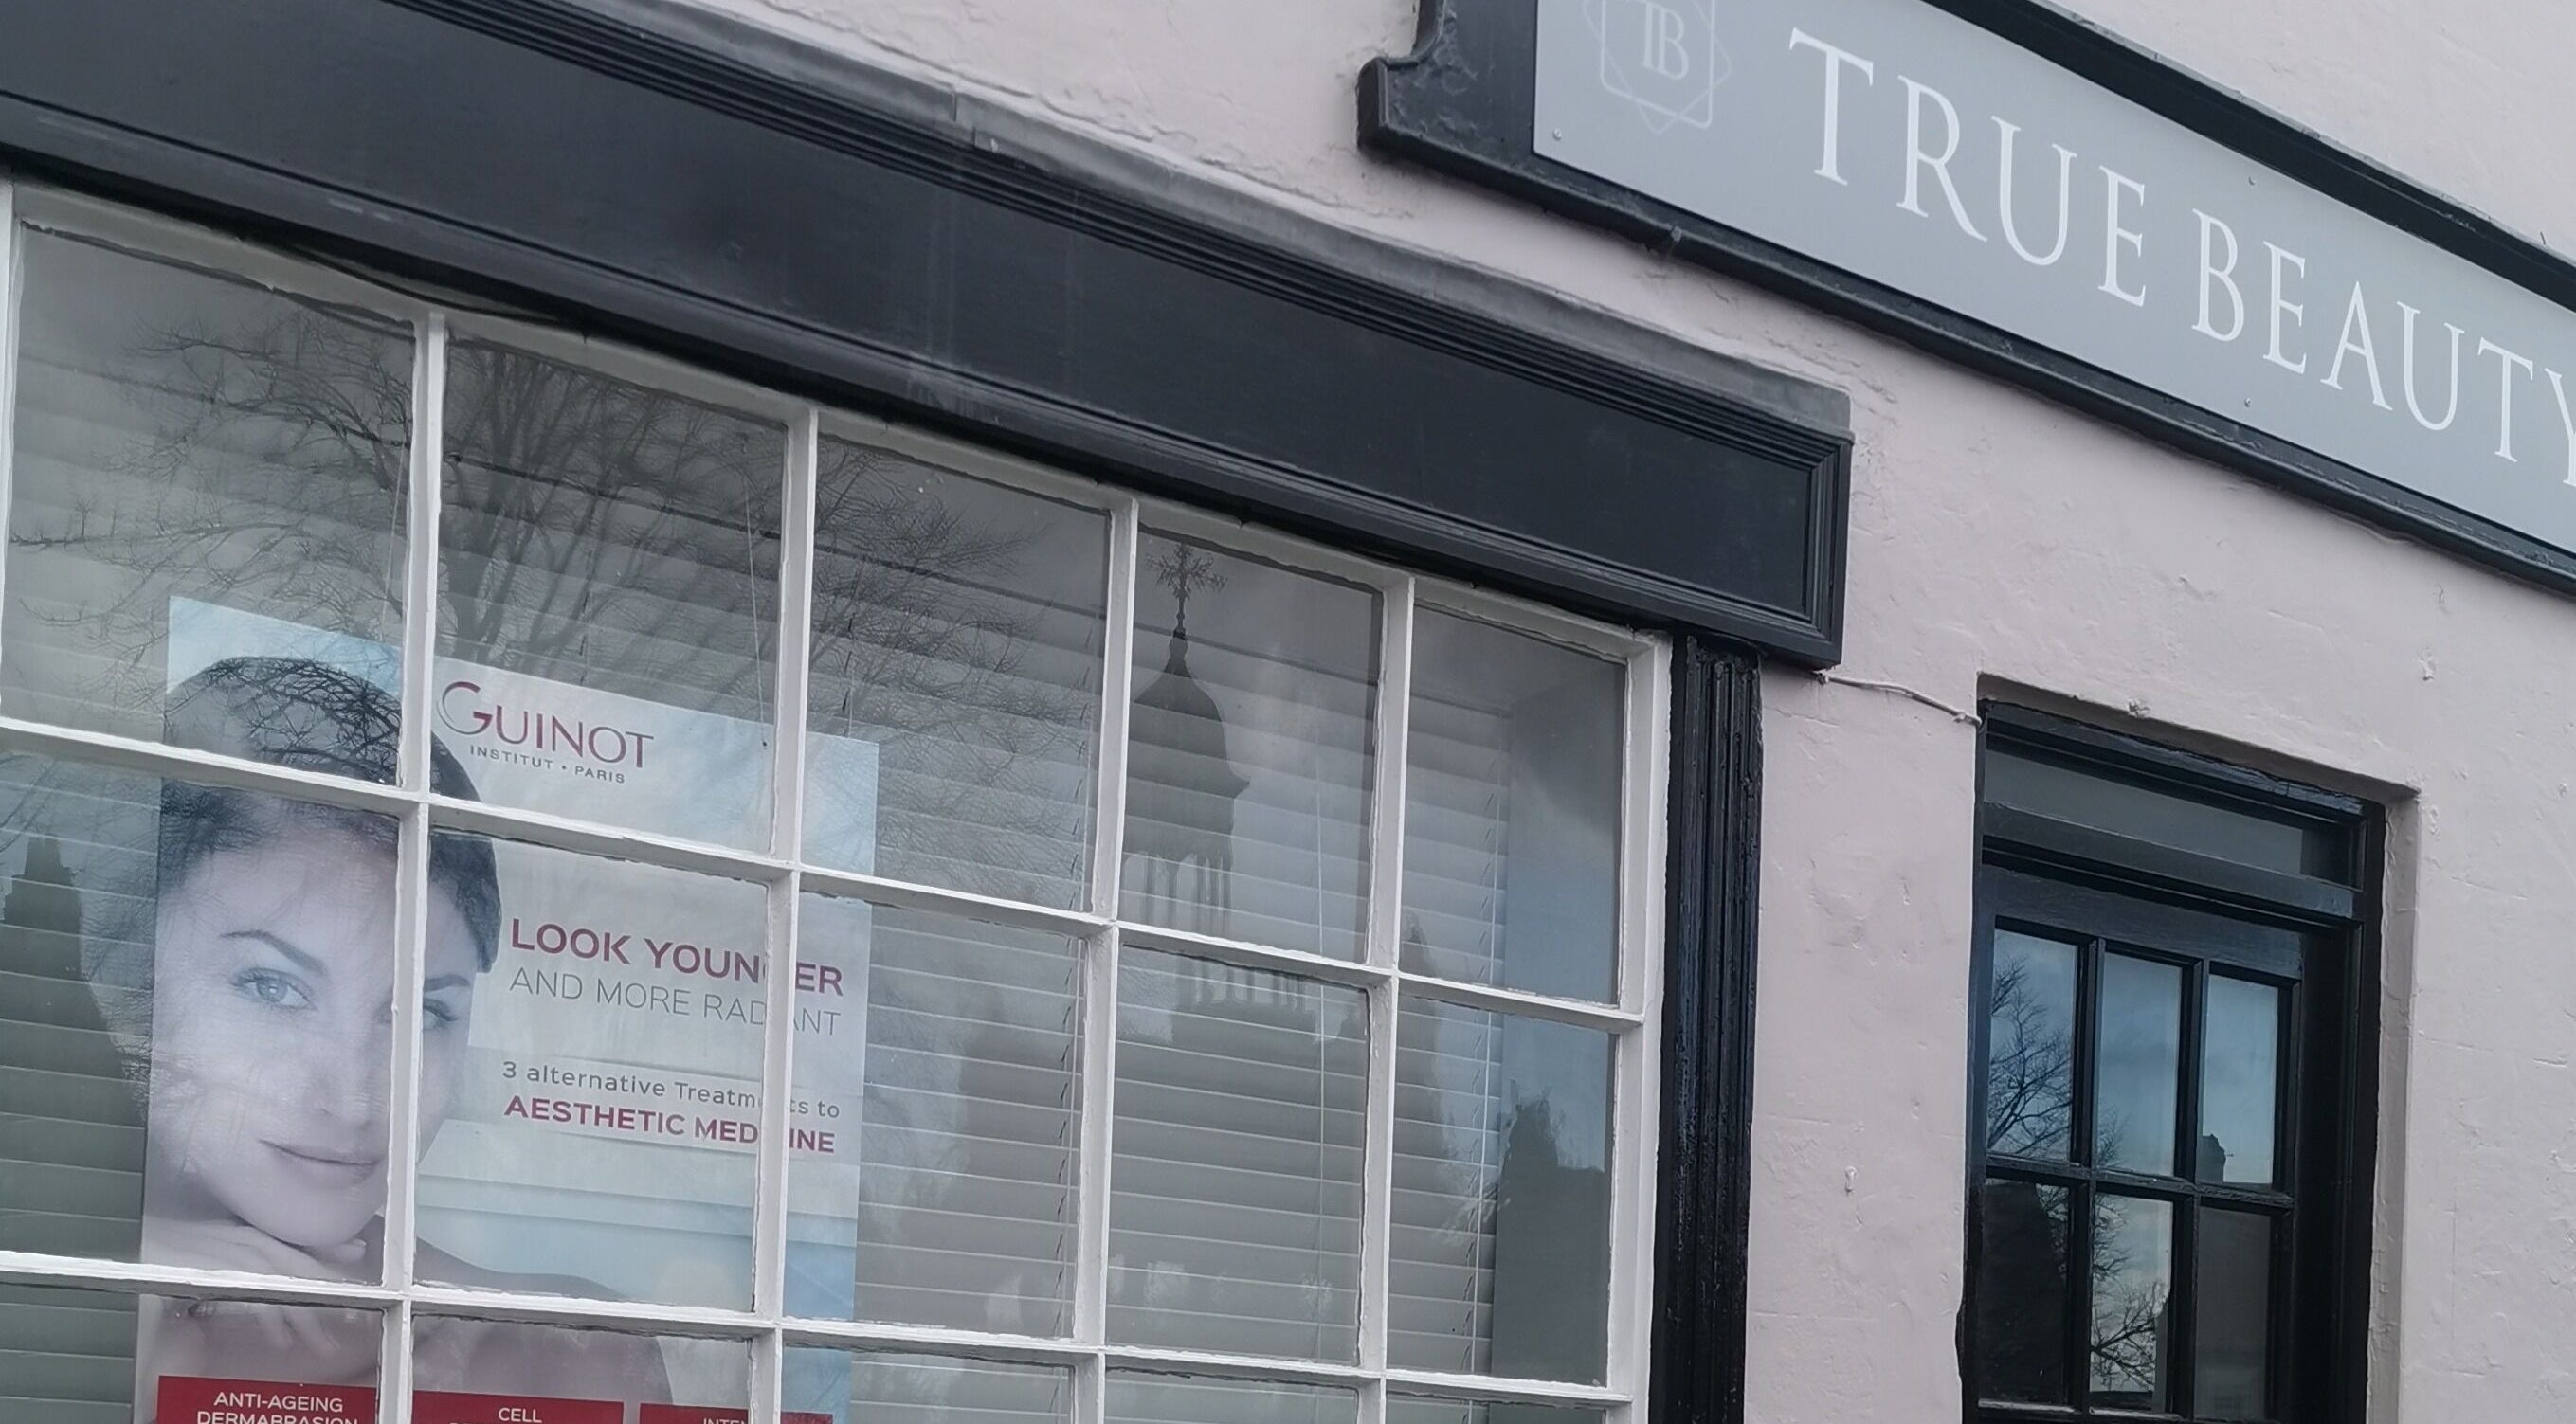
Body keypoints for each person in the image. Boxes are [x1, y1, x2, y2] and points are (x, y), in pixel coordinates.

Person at [100, 656, 671, 1413]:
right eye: (273, 986)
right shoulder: (61, 1306)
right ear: (133, 978)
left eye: (420, 1012)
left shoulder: (568, 1357)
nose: (353, 1099)